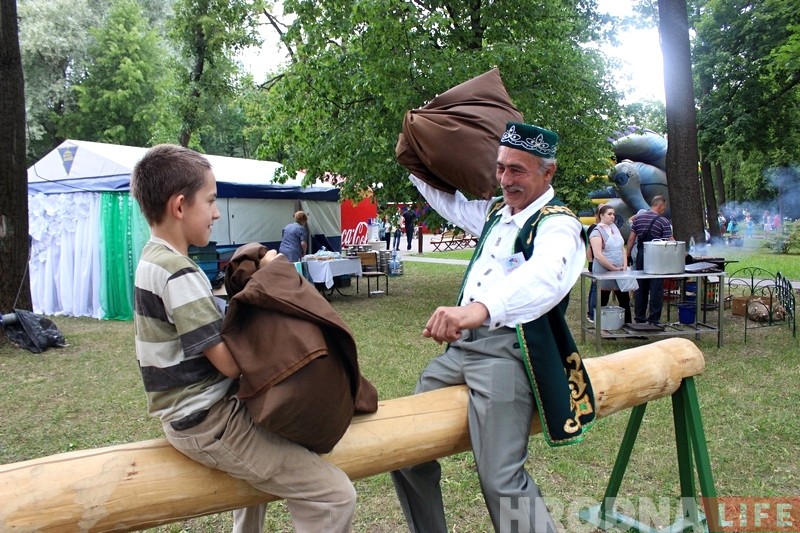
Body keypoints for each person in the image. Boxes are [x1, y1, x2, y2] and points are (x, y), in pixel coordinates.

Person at [130, 144, 356, 533]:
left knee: (259, 486)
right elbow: (231, 363)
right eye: (211, 201)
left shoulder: (152, 258)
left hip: (195, 413)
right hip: (208, 420)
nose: (217, 212)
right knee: (334, 495)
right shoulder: (178, 272)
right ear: (180, 207)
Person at [391, 122, 595, 533]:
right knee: (404, 451)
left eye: (517, 170)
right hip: (463, 351)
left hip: (509, 350)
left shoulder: (560, 225)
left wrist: (478, 310)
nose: (505, 179)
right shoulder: (496, 213)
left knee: (501, 479)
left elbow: (545, 277)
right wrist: (413, 157)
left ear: (547, 172)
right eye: (501, 168)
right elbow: (447, 202)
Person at [626, 195, 673, 325]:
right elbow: (670, 242)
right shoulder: (663, 222)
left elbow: (631, 239)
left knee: (641, 288)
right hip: (657, 257)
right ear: (659, 205)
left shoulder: (638, 219)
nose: (664, 209)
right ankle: (654, 319)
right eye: (664, 206)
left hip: (642, 254)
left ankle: (639, 318)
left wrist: (628, 255)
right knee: (656, 288)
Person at [589, 204, 632, 324]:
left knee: (624, 299)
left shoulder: (614, 228)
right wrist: (612, 268)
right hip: (604, 270)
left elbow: (621, 248)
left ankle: (628, 325)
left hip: (619, 270)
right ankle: (603, 327)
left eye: (613, 214)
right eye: (609, 214)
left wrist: (624, 264)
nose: (612, 216)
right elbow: (598, 255)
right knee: (603, 299)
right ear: (601, 215)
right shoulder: (596, 232)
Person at [586, 207, 600, 323]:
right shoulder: (593, 228)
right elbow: (588, 247)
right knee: (595, 287)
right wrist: (590, 261)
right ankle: (591, 313)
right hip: (596, 262)